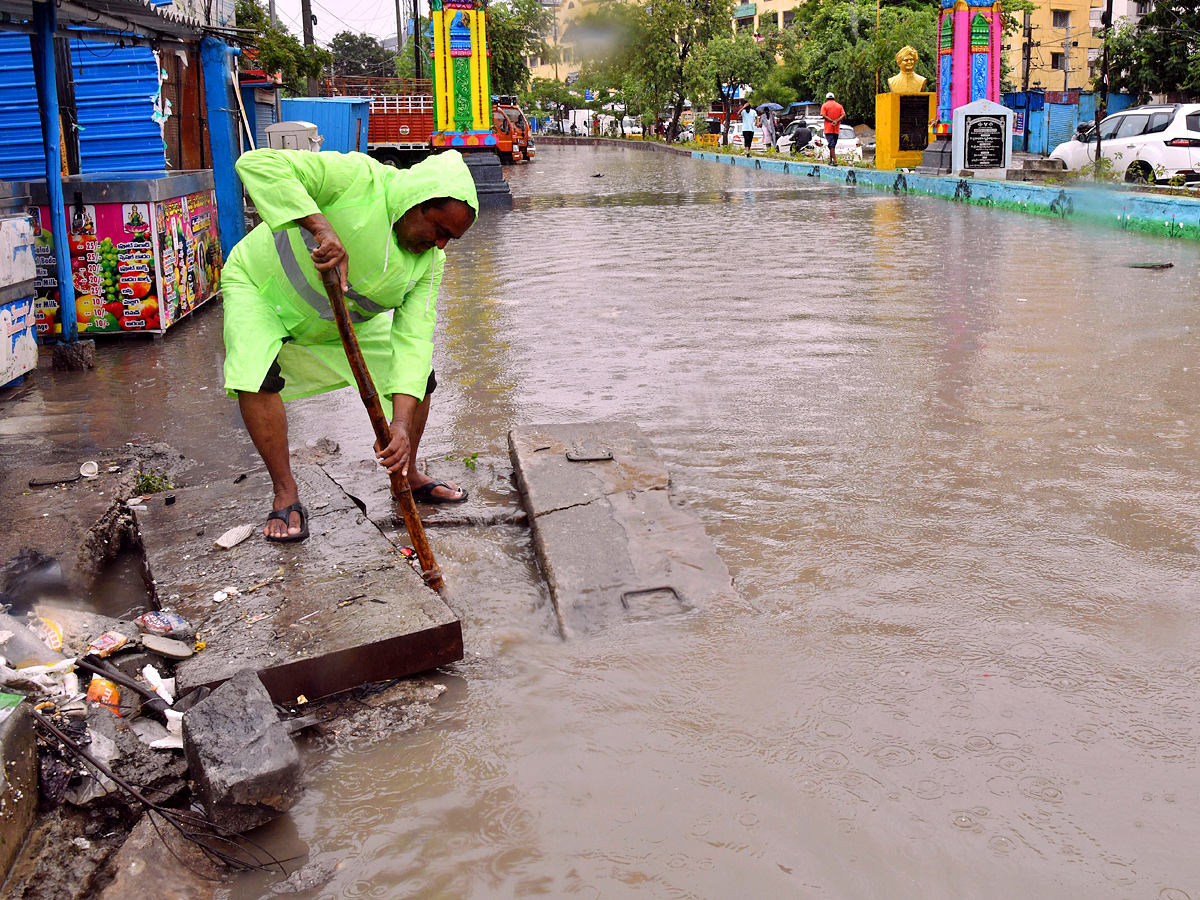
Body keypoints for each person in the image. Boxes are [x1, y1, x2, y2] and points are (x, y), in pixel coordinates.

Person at [222, 149, 479, 542]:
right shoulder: (358, 178)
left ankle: (406, 474)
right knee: (254, 372)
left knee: (418, 378)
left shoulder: (430, 262)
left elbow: (413, 339)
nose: (441, 245)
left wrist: (401, 426)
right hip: (260, 289)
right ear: (416, 203)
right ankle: (285, 491)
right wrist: (320, 227)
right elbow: (255, 164)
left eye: (451, 239)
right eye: (439, 230)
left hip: (338, 322)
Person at [820, 91, 845, 165]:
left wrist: (831, 121)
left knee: (831, 145)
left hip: (828, 129)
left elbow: (824, 115)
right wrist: (836, 121)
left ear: (827, 98)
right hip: (836, 129)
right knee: (833, 145)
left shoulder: (824, 106)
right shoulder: (839, 106)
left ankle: (835, 161)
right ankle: (830, 160)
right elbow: (843, 114)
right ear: (834, 98)